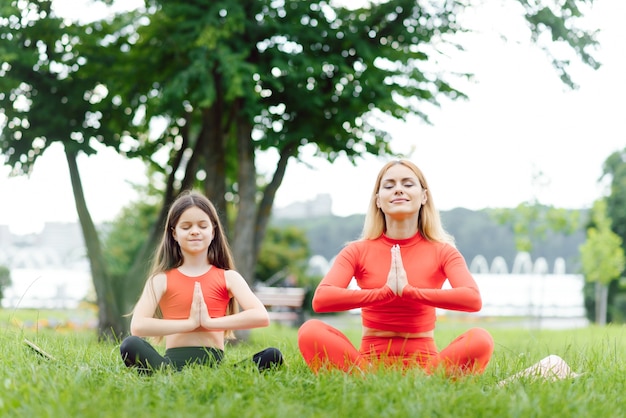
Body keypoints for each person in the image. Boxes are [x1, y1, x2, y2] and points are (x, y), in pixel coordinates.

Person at [297, 159, 494, 376]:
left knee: (481, 339)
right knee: (310, 331)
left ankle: (425, 384)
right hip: (367, 366)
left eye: (408, 184)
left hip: (427, 368)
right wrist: (383, 294)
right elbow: (322, 299)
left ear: (424, 197)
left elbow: (472, 299)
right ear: (378, 201)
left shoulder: (443, 251)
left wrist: (410, 292)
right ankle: (365, 383)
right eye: (389, 186)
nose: (398, 189)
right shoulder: (356, 250)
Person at [120, 190, 283, 374]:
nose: (195, 231)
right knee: (130, 345)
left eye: (202, 226)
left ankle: (214, 380)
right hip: (171, 367)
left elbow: (261, 316)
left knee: (272, 356)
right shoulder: (160, 279)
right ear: (174, 233)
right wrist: (189, 324)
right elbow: (138, 326)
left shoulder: (228, 277)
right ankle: (167, 376)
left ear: (213, 231)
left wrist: (209, 322)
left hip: (217, 372)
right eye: (186, 226)